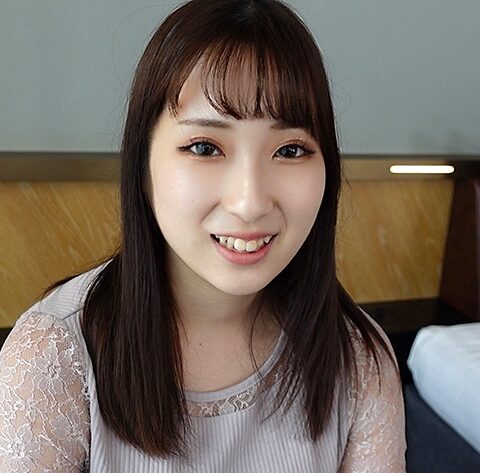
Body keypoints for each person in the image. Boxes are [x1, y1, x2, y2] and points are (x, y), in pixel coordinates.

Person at [0, 0, 406, 471]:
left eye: (291, 150)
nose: (250, 202)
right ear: (143, 166)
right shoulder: (54, 359)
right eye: (204, 147)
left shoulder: (360, 361)